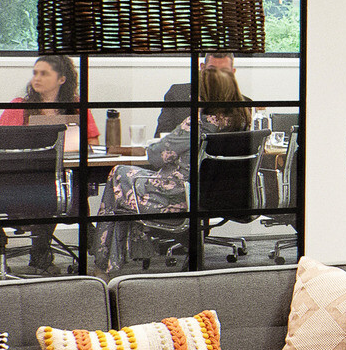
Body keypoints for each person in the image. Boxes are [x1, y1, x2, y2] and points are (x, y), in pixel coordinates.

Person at [97, 71, 253, 272]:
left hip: (180, 197)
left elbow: (155, 157)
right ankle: (126, 250)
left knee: (118, 173)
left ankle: (105, 258)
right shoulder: (242, 121)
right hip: (219, 195)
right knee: (125, 184)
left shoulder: (197, 123)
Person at [0, 55, 97, 273]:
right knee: (50, 189)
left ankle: (42, 254)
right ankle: (93, 241)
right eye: (35, 73)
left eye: (44, 73)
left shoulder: (77, 108)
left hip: (64, 177)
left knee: (63, 186)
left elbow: (93, 143)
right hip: (22, 180)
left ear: (61, 79)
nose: (37, 78)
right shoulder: (19, 107)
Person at [156, 55, 241, 135]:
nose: (216, 76)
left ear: (232, 72)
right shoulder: (177, 94)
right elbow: (162, 134)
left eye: (223, 71)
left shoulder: (242, 104)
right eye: (211, 70)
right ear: (202, 67)